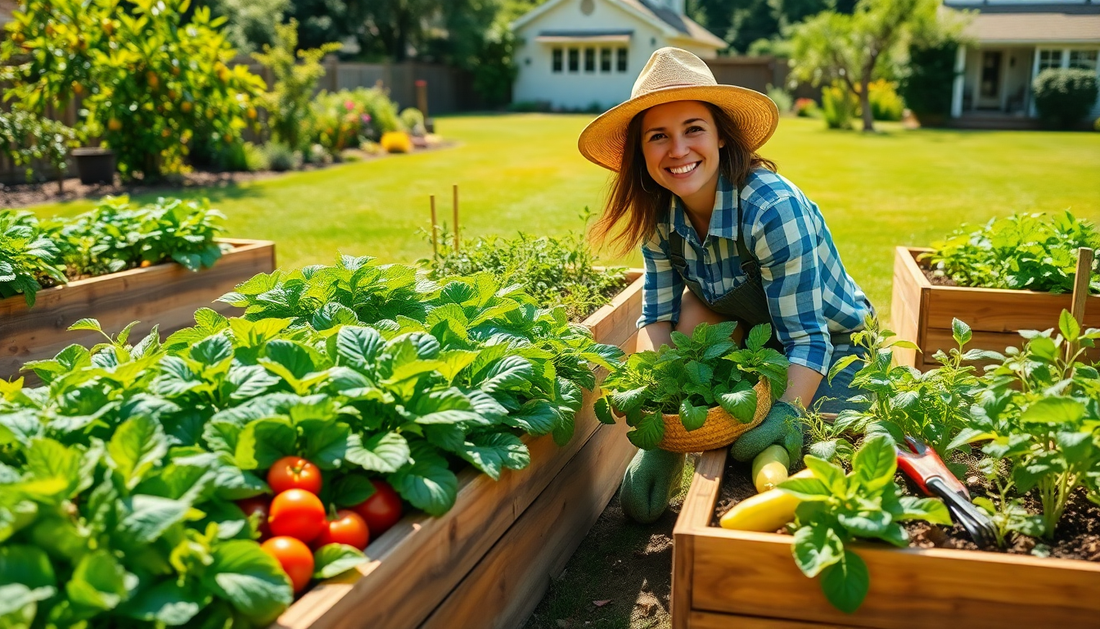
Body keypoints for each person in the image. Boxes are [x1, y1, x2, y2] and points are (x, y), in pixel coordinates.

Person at [577, 47, 874, 523]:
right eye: (659, 136)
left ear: (720, 137)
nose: (678, 150)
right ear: (641, 152)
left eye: (693, 129)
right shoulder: (660, 213)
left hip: (835, 345)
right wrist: (668, 423)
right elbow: (657, 319)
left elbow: (807, 338)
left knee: (825, 448)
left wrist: (784, 414)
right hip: (756, 339)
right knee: (691, 313)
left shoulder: (772, 209)